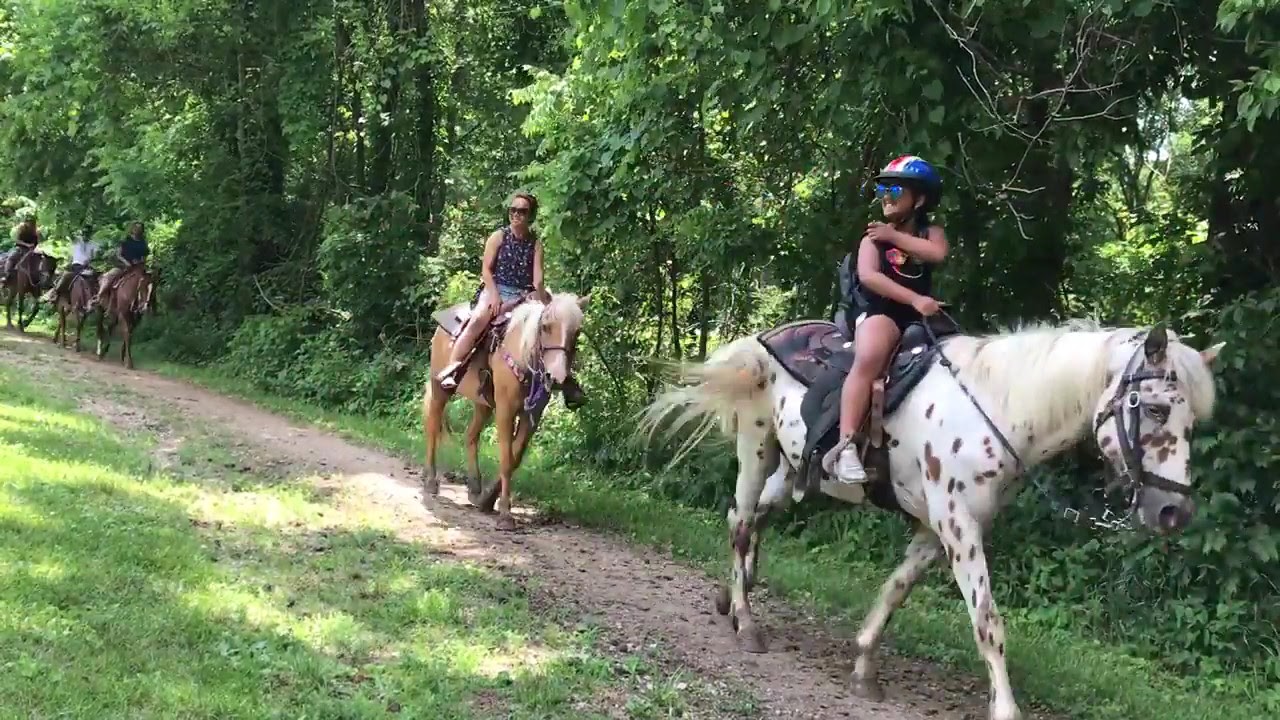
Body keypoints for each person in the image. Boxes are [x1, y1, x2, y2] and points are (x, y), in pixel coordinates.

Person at [823, 155, 949, 484]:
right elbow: (869, 277)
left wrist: (894, 237)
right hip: (882, 310)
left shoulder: (929, 232)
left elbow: (936, 253)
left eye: (895, 188)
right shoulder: (872, 238)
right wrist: (915, 299)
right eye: (882, 188)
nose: (886, 195)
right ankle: (846, 444)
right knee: (870, 357)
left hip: (921, 313)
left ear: (918, 199)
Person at [436, 192, 586, 409]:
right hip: (495, 289)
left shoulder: (535, 244)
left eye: (522, 211)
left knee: (553, 327)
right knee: (478, 320)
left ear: (530, 215)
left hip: (523, 295)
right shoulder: (498, 237)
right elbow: (486, 270)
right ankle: (453, 367)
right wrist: (494, 295)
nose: (516, 215)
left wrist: (544, 300)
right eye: (513, 210)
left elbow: (538, 279)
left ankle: (563, 380)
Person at [95, 222, 150, 309]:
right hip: (124, 266)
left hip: (138, 267)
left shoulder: (143, 242)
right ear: (132, 229)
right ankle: (99, 296)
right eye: (136, 228)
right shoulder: (125, 241)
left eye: (140, 228)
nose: (138, 230)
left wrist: (141, 262)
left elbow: (144, 256)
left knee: (149, 280)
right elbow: (119, 255)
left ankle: (147, 303)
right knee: (109, 276)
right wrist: (126, 262)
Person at [43, 225, 100, 303]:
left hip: (87, 267)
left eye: (87, 233)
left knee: (98, 278)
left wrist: (91, 261)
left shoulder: (94, 245)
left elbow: (95, 257)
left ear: (91, 234)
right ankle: (54, 293)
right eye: (84, 233)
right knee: (66, 276)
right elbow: (70, 233)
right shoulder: (77, 241)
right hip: (76, 266)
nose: (85, 235)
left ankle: (99, 298)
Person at [3, 216, 41, 284]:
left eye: (31, 222)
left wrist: (35, 247)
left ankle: (38, 279)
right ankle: (7, 275)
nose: (29, 224)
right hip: (21, 248)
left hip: (32, 250)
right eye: (28, 222)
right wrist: (27, 245)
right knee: (11, 258)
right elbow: (17, 241)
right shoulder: (21, 229)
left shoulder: (36, 231)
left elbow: (39, 242)